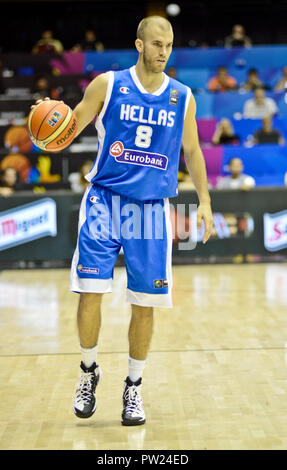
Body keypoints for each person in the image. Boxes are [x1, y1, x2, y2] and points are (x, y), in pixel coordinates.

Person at [32, 16, 213, 426]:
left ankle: (133, 386)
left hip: (151, 210)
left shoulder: (182, 96)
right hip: (104, 202)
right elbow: (70, 126)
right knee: (90, 291)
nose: (163, 51)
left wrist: (204, 200)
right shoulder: (108, 84)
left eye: (168, 44)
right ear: (139, 44)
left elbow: (194, 152)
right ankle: (88, 371)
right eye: (155, 43)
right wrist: (46, 130)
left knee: (144, 303)